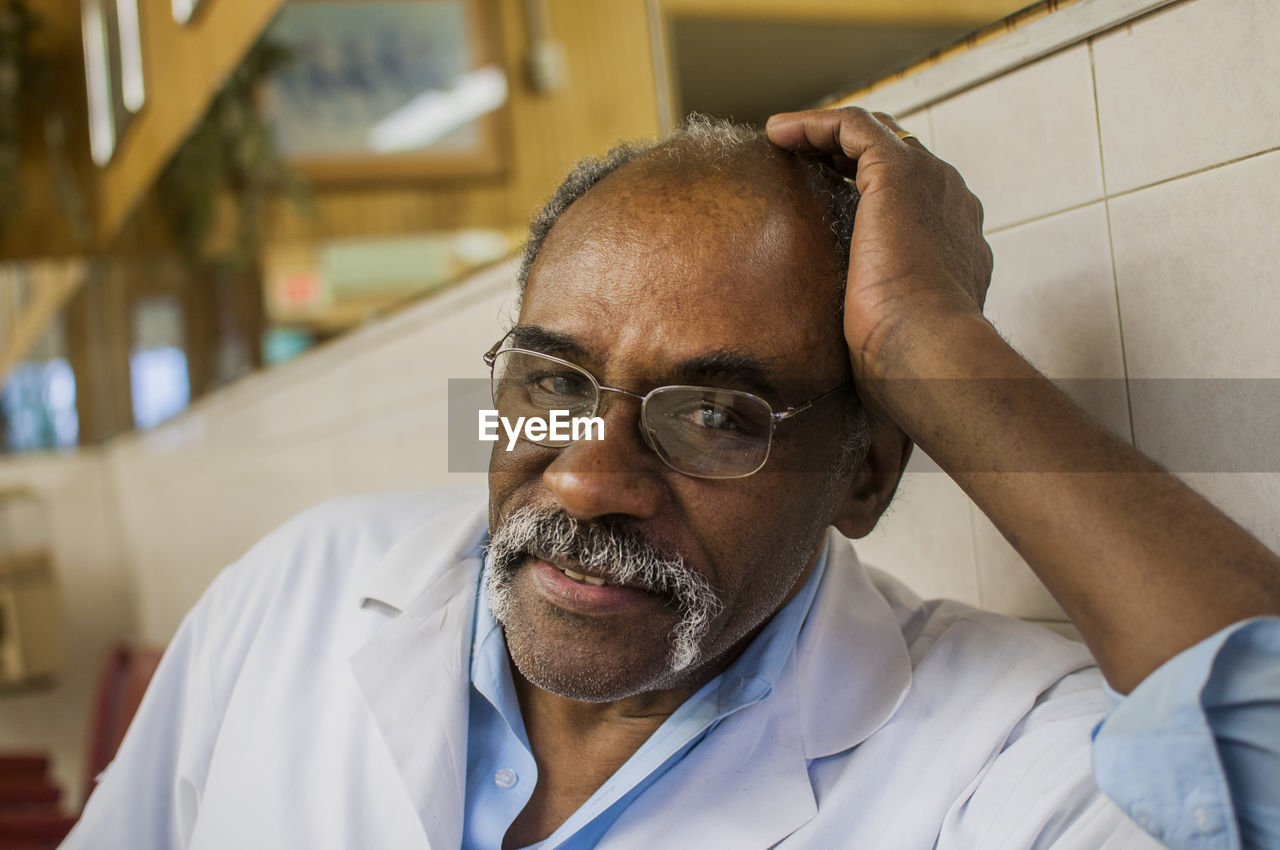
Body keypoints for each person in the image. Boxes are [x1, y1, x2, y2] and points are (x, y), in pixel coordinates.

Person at [61, 109, 1279, 850]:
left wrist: (928, 341)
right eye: (550, 381)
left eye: (711, 415)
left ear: (863, 473)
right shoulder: (302, 587)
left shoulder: (990, 750)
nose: (590, 482)